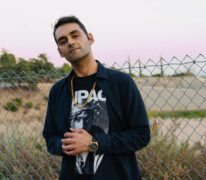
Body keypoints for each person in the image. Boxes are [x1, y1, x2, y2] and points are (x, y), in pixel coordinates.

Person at [42, 15, 150, 180]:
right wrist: (62, 145)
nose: (70, 42)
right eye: (63, 41)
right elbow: (50, 137)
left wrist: (94, 143)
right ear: (60, 52)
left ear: (90, 38)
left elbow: (141, 135)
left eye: (75, 35)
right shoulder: (58, 90)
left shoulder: (121, 82)